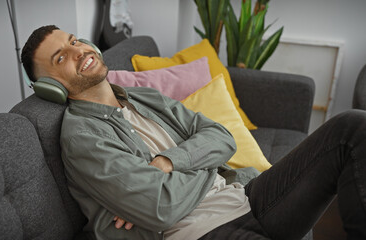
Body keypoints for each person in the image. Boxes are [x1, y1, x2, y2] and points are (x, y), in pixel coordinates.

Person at [21, 25, 366, 240]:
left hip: (246, 195)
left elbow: (222, 137)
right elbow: (162, 208)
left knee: (351, 127)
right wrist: (201, 161)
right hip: (201, 231)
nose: (79, 50)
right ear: (51, 86)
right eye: (61, 57)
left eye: (74, 40)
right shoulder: (82, 136)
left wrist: (167, 163)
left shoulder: (142, 96)